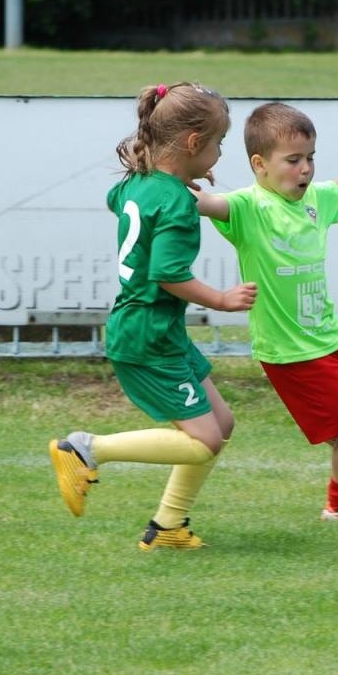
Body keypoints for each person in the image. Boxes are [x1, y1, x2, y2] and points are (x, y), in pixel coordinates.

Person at [48, 82, 257, 550]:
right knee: (202, 441)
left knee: (220, 426)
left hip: (156, 329)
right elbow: (167, 274)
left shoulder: (135, 185)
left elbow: (116, 202)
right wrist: (221, 300)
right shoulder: (179, 203)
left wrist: (168, 186)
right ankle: (84, 448)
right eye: (218, 143)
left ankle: (167, 528)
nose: (220, 155)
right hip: (148, 334)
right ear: (191, 143)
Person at [194, 101, 338, 521]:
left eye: (310, 158)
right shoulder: (248, 208)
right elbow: (206, 204)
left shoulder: (317, 198)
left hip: (332, 334)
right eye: (293, 161)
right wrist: (164, 183)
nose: (305, 169)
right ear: (260, 164)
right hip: (292, 352)